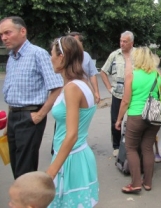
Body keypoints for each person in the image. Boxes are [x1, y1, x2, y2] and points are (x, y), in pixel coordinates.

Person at [0, 16, 63, 179]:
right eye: (1, 34)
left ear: (23, 31)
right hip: (14, 117)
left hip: (30, 117)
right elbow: (13, 92)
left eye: (7, 32)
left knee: (25, 167)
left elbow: (57, 86)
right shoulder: (12, 58)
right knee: (15, 163)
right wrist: (9, 121)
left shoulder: (38, 54)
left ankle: (27, 202)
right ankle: (23, 199)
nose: (4, 37)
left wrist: (40, 115)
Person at [47, 36, 99, 207]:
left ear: (61, 56)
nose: (50, 58)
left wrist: (51, 172)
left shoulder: (72, 88)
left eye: (52, 54)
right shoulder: (82, 82)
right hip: (77, 155)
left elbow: (71, 135)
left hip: (70, 158)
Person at [115, 47, 161, 194]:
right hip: (154, 117)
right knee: (147, 148)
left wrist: (118, 119)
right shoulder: (157, 75)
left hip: (136, 115)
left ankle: (136, 183)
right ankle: (148, 182)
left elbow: (125, 101)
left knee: (131, 148)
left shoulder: (131, 75)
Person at [100, 31, 134, 157]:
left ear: (132, 43)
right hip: (118, 95)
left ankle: (131, 146)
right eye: (121, 41)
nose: (122, 43)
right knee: (115, 121)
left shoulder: (138, 55)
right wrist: (109, 88)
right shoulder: (114, 55)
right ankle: (116, 146)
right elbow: (103, 72)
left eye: (125, 41)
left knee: (133, 121)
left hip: (134, 95)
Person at [69, 32, 100, 103]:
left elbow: (92, 75)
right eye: (70, 42)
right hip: (68, 92)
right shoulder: (63, 57)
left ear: (81, 43)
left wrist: (96, 92)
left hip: (84, 92)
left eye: (75, 41)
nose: (73, 44)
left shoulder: (86, 56)